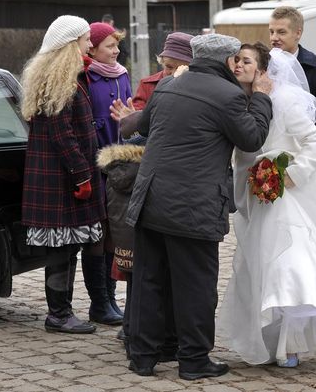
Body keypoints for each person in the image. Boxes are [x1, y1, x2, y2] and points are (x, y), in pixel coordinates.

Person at [125, 34, 273, 380]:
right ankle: (193, 360)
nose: (238, 65)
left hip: (151, 199)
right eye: (235, 60)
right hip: (193, 206)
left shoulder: (166, 86)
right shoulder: (229, 95)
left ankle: (143, 356)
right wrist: (263, 99)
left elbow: (144, 127)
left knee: (149, 280)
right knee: (196, 285)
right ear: (226, 62)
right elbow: (251, 138)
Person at [218, 44, 316, 368]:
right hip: (255, 192)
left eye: (247, 61)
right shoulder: (241, 100)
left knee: (287, 264)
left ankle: (290, 344)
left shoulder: (285, 101)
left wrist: (290, 174)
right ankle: (267, 341)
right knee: (259, 265)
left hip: (285, 195)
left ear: (263, 71)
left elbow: (312, 142)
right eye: (236, 60)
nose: (239, 65)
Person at [103, 32, 194, 352]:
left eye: (174, 66)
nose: (168, 72)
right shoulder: (150, 84)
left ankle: (166, 331)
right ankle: (133, 327)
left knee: (170, 269)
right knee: (137, 264)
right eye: (165, 66)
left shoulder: (198, 89)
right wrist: (132, 121)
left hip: (176, 186)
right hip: (143, 181)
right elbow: (136, 133)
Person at [20, 15, 106, 334]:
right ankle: (58, 313)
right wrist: (82, 176)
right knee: (61, 249)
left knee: (67, 247)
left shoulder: (65, 75)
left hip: (60, 177)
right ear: (71, 44)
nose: (89, 44)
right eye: (85, 39)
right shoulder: (61, 81)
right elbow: (62, 134)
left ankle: (62, 310)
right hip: (61, 179)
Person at [81, 21, 134, 326]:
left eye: (117, 46)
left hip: (118, 166)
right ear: (93, 48)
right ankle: (98, 302)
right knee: (96, 237)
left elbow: (127, 112)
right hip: (94, 164)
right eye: (109, 46)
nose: (116, 51)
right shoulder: (86, 76)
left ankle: (111, 299)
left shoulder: (123, 74)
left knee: (113, 237)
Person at [269, 6, 316, 211]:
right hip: (272, 161)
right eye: (271, 31)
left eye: (281, 32)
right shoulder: (263, 66)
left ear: (298, 33)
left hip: (311, 159)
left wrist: (298, 142)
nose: (274, 37)